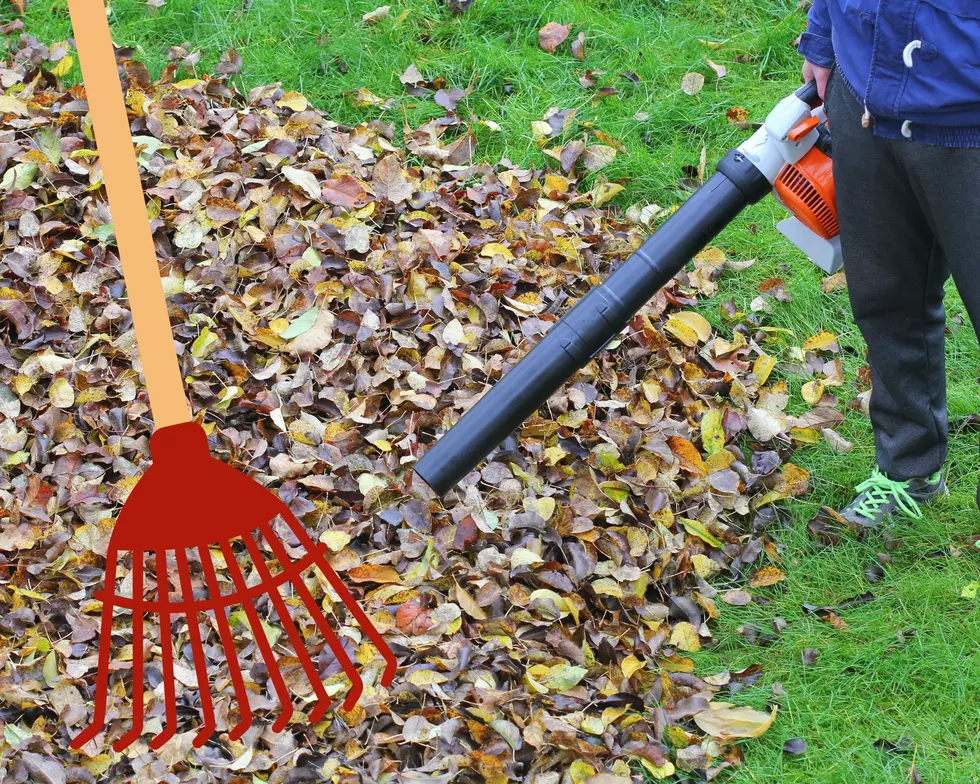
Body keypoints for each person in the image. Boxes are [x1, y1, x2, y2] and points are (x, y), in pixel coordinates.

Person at [798, 1, 980, 528]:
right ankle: (910, 471)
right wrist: (823, 34)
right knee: (886, 298)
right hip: (866, 96)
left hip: (969, 117)